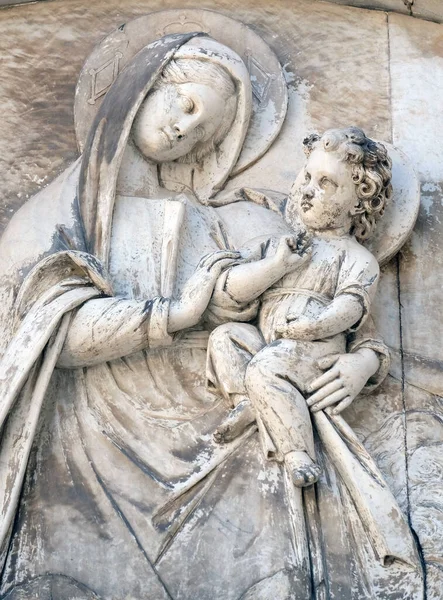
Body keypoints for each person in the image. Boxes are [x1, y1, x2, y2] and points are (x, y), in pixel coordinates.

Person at [0, 32, 422, 600]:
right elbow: (40, 332)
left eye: (209, 134)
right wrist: (176, 312)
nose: (188, 131)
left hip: (223, 442)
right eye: (188, 105)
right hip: (91, 450)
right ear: (141, 89)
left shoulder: (226, 218)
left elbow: (321, 291)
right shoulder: (56, 215)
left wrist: (365, 363)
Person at [207, 127, 390, 487]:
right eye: (307, 176)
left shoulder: (356, 259)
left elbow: (353, 310)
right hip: (269, 342)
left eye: (326, 184)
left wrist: (313, 328)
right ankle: (250, 402)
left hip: (311, 351)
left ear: (357, 202)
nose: (308, 190)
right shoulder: (281, 245)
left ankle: (297, 453)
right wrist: (275, 266)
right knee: (226, 338)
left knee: (265, 369)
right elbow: (230, 291)